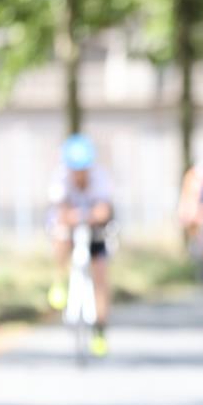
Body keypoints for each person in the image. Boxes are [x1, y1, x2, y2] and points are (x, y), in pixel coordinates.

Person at [46, 134, 114, 356]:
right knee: (60, 235)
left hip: (95, 230)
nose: (79, 173)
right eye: (75, 169)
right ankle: (59, 280)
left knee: (100, 274)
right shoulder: (60, 178)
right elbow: (60, 212)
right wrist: (79, 216)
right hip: (71, 230)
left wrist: (86, 216)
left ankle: (100, 329)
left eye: (83, 168)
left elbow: (104, 211)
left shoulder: (100, 178)